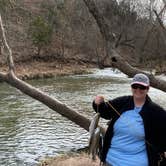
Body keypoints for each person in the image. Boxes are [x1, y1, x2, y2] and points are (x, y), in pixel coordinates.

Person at [92, 73, 166, 166]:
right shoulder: (122, 101)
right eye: (135, 86)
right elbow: (105, 111)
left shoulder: (157, 112)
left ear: (148, 88)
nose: (138, 89)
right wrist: (98, 103)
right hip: (110, 161)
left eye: (142, 87)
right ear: (131, 87)